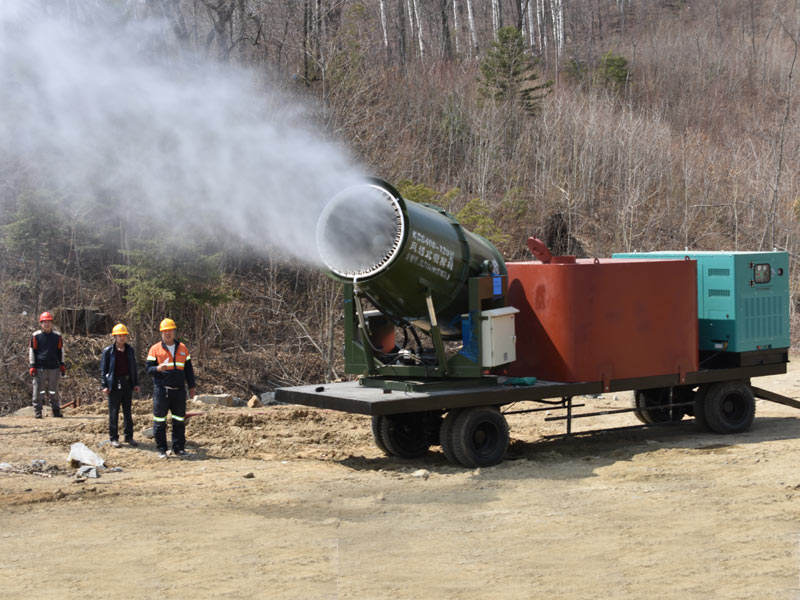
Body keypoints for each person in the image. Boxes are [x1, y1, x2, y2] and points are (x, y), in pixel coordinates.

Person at [146, 318, 196, 459]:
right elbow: (148, 369)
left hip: (179, 391)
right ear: (161, 333)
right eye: (165, 331)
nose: (168, 333)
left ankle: (179, 448)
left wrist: (191, 386)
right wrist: (157, 368)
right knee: (160, 421)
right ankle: (161, 449)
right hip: (162, 390)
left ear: (174, 331)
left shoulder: (183, 348)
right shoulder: (155, 349)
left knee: (179, 420)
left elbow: (189, 370)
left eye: (170, 331)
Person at [100, 323, 141, 448]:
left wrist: (135, 383)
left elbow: (133, 368)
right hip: (113, 383)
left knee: (128, 412)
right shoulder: (108, 351)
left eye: (124, 335)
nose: (122, 338)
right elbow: (104, 370)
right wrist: (105, 385)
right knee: (114, 412)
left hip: (127, 383)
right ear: (115, 336)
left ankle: (129, 437)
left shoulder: (130, 350)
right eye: (119, 335)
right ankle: (114, 438)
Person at [28, 311, 65, 418]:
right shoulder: (36, 336)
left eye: (49, 322)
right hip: (40, 368)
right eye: (44, 322)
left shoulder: (57, 336)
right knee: (39, 391)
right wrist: (32, 366)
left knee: (54, 391)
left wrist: (62, 364)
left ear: (52, 323)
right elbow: (32, 351)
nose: (47, 324)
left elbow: (60, 351)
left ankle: (56, 410)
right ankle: (38, 411)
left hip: (54, 368)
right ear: (41, 323)